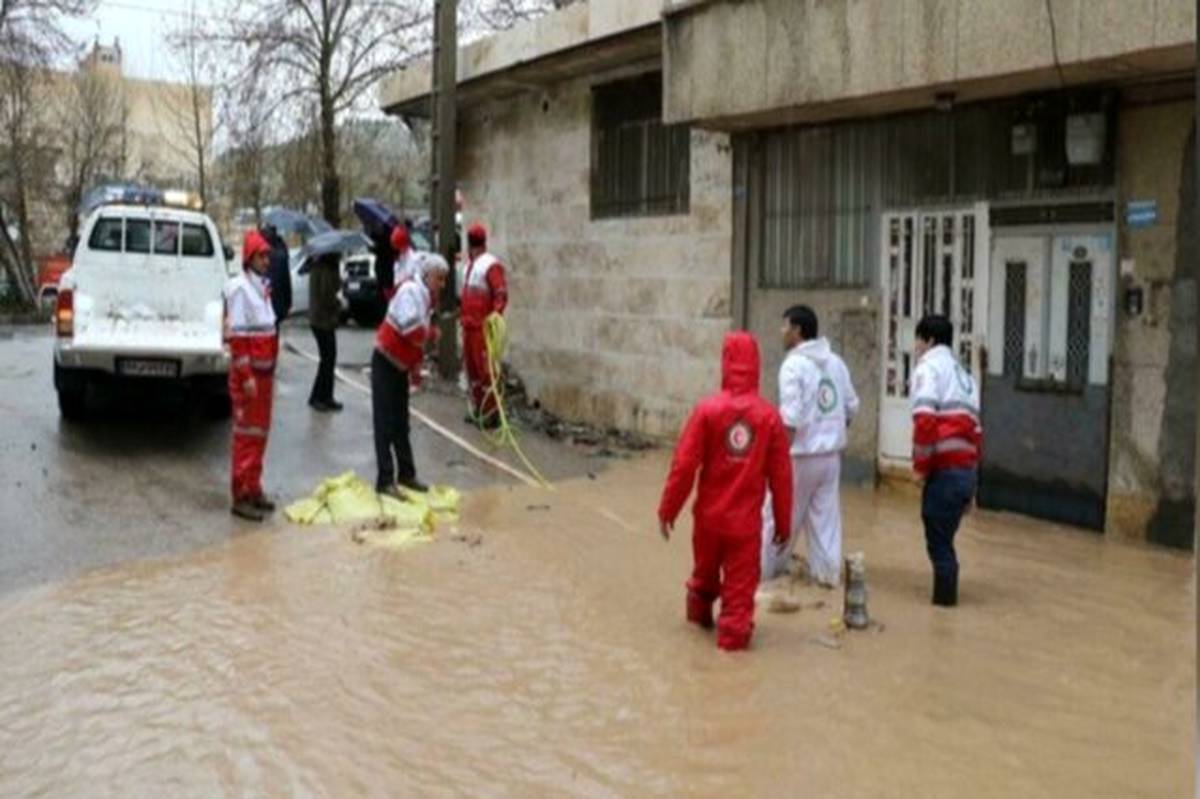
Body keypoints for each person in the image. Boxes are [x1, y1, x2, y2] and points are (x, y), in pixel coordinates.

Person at [658, 332, 793, 651]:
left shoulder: (707, 411)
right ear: (757, 365)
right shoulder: (769, 418)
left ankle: (696, 646)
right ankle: (730, 679)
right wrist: (784, 524)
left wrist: (668, 510)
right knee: (738, 602)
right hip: (744, 528)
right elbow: (782, 478)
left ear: (725, 363)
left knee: (702, 582)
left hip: (707, 522)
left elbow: (683, 466)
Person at [762, 305, 860, 587]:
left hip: (799, 457)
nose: (781, 333)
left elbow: (790, 418)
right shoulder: (836, 363)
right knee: (826, 524)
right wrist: (832, 430)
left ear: (797, 331)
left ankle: (763, 576)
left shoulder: (793, 364)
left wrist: (775, 461)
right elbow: (852, 405)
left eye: (784, 327)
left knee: (778, 517)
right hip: (831, 459)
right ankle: (827, 579)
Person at [910, 314, 982, 607]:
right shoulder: (965, 376)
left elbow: (925, 422)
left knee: (939, 544)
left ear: (928, 340)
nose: (914, 347)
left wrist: (919, 468)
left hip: (945, 470)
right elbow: (977, 431)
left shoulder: (928, 369)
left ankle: (944, 609)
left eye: (917, 340)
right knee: (944, 538)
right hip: (966, 471)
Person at [372, 253, 449, 497]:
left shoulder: (426, 300)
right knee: (384, 422)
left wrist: (415, 369)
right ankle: (385, 480)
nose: (442, 285)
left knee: (401, 422)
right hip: (385, 361)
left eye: (444, 279)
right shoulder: (410, 292)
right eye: (440, 278)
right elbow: (410, 330)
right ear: (427, 276)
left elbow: (416, 343)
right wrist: (431, 335)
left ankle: (406, 474)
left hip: (399, 366)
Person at [225, 230, 278, 522]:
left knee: (260, 434)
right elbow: (239, 338)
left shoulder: (261, 288)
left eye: (267, 255)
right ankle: (241, 495)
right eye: (261, 255)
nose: (266, 260)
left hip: (264, 374)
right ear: (249, 258)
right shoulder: (240, 290)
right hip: (250, 376)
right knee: (247, 436)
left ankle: (253, 487)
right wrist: (245, 375)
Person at [460, 223, 507, 428]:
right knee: (473, 371)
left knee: (485, 371)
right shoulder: (470, 266)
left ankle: (490, 412)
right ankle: (479, 408)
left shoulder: (489, 264)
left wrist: (495, 316)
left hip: (482, 328)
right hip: (469, 327)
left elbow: (500, 293)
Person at [307, 251, 342, 413]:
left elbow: (335, 287)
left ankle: (326, 396)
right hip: (322, 321)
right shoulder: (324, 270)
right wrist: (338, 304)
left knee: (329, 359)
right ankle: (318, 397)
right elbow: (327, 296)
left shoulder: (323, 267)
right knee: (327, 359)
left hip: (321, 320)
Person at [261, 224, 292, 329]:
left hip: (265, 301)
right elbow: (286, 281)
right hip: (278, 302)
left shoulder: (262, 254)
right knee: (274, 330)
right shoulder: (282, 253)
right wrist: (288, 303)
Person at [391, 224, 419, 290]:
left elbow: (416, 279)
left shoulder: (414, 258)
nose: (397, 250)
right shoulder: (399, 258)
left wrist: (405, 281)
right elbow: (396, 280)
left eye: (399, 247)